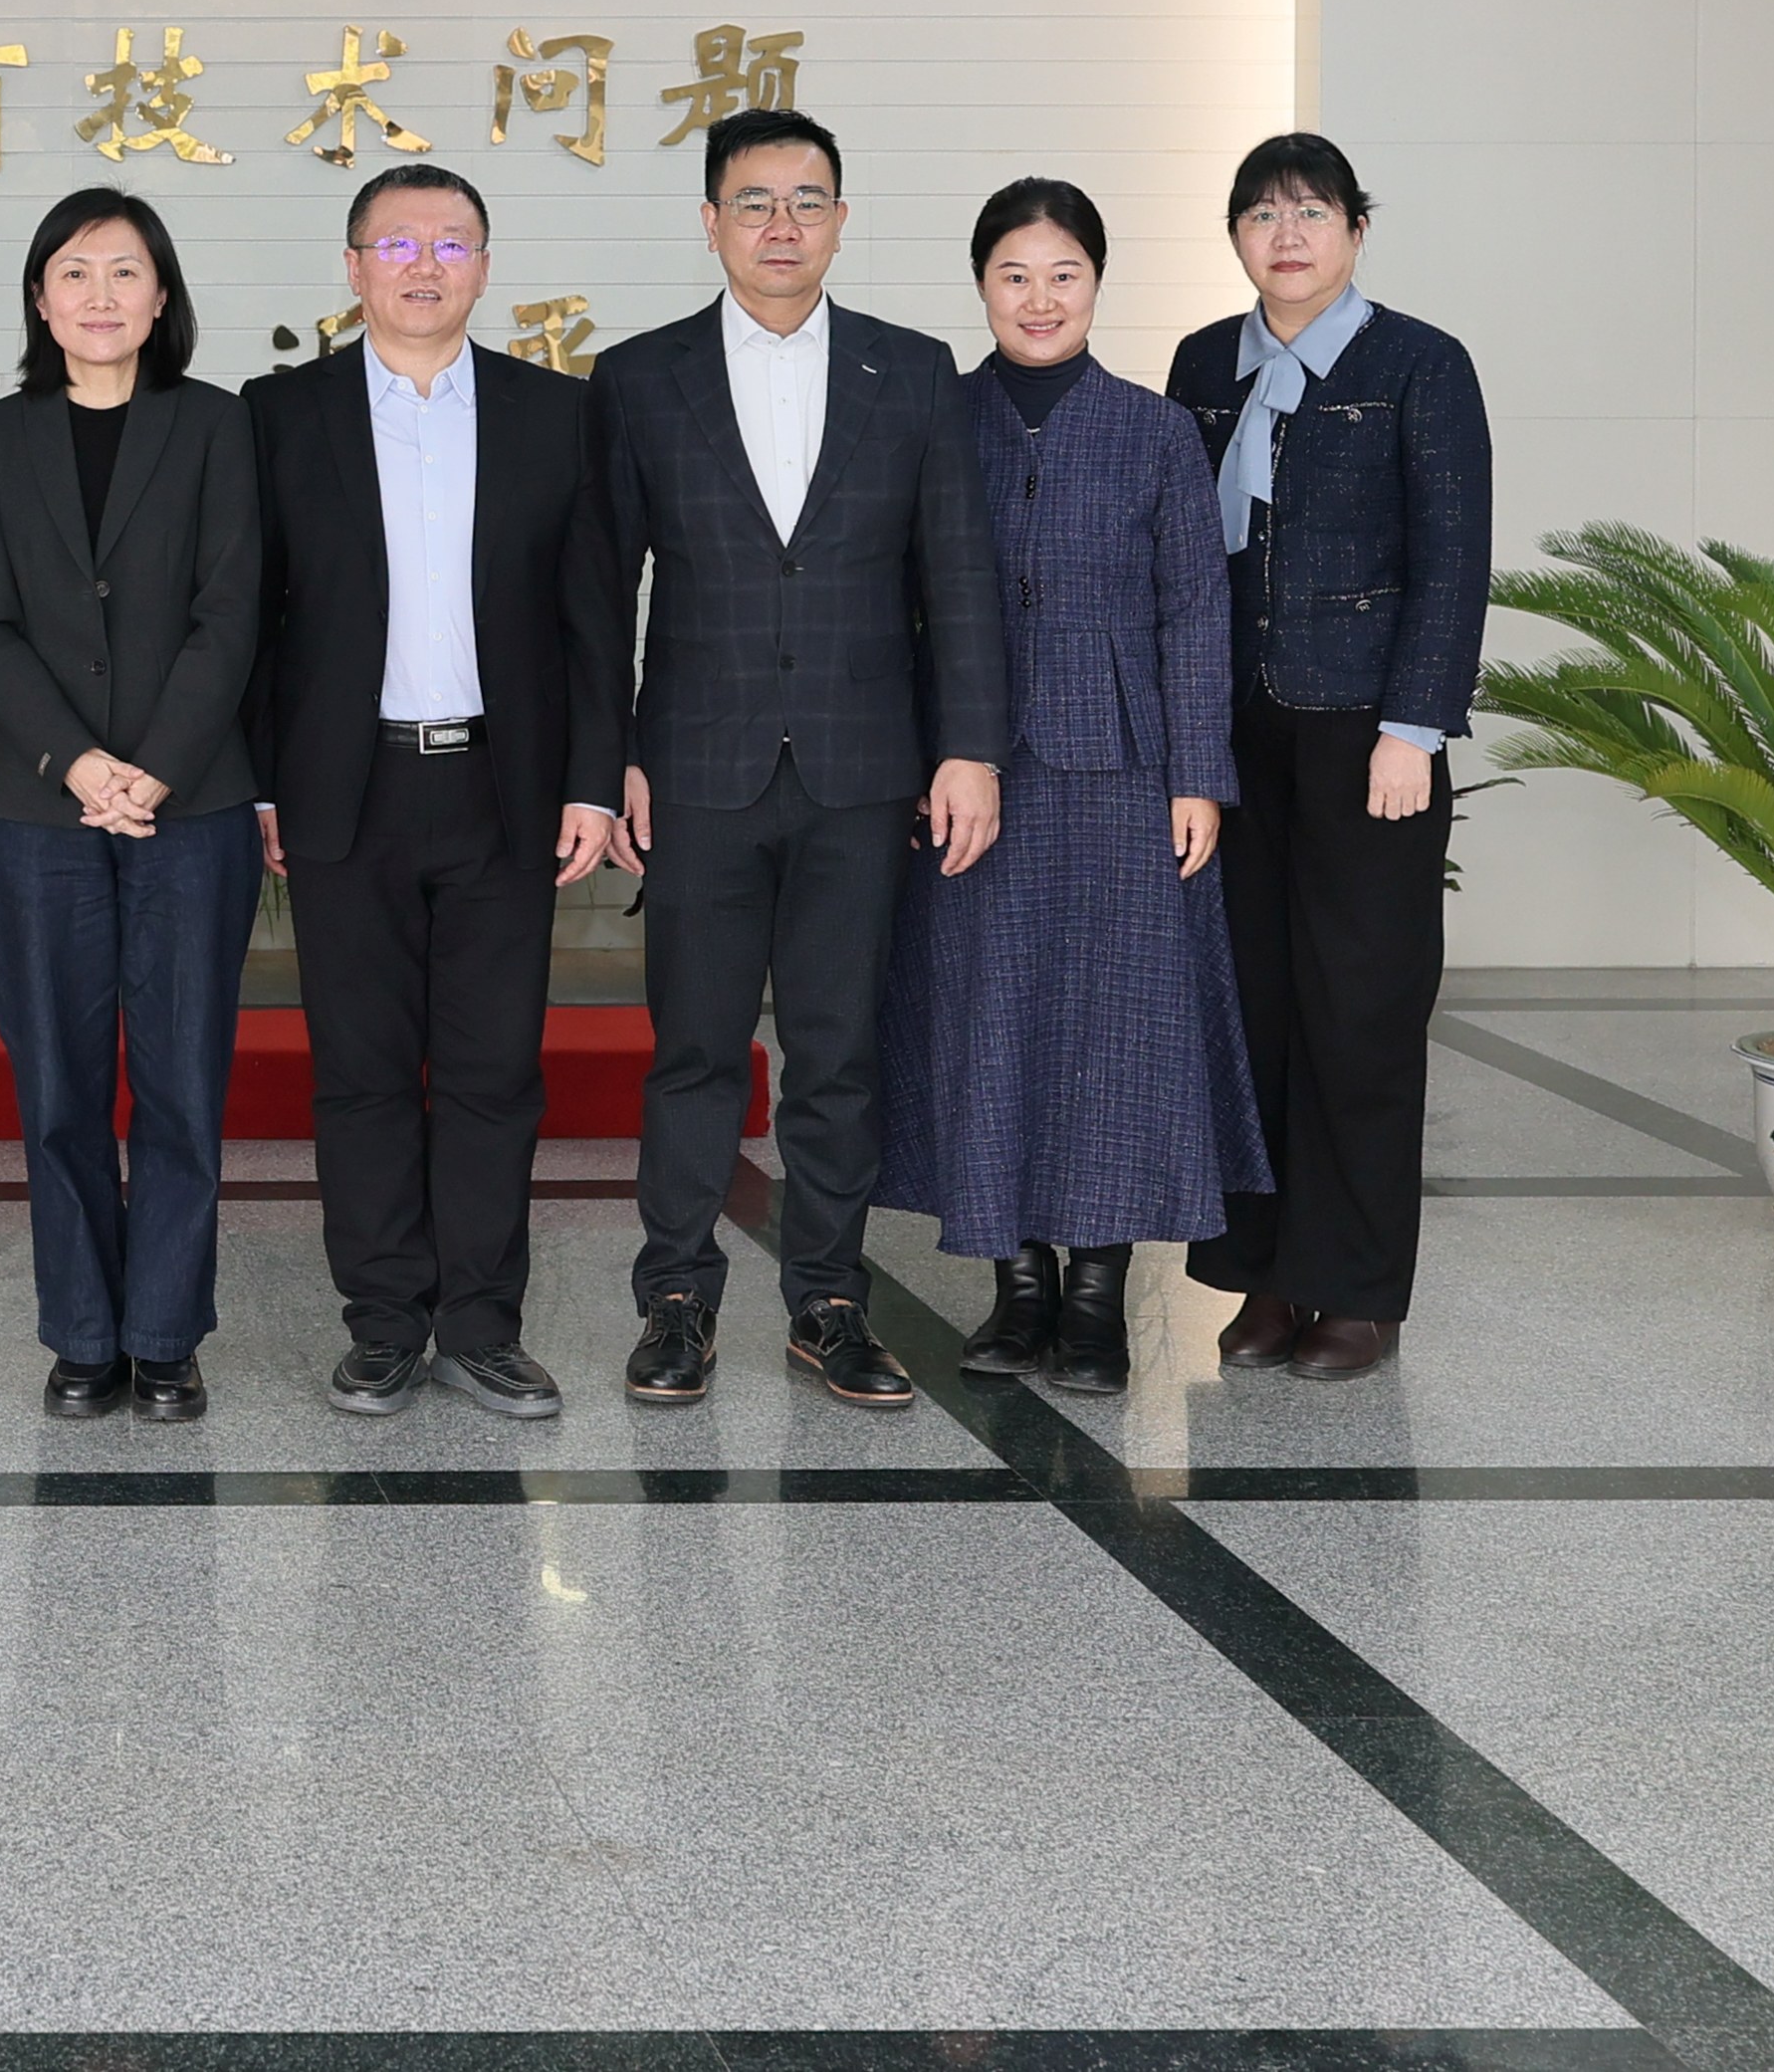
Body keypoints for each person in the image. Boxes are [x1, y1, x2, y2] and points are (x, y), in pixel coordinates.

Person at [592, 107, 1006, 1411]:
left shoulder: (913, 371)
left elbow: (959, 580)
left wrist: (970, 750)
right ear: (710, 221)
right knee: (694, 1053)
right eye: (755, 201)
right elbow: (601, 590)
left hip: (862, 767)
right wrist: (607, 754)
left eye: (807, 200)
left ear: (840, 219)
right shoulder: (640, 377)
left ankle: (828, 1300)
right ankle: (674, 1300)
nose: (782, 225)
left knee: (837, 1054)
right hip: (697, 769)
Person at [246, 165, 629, 1426]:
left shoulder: (553, 414)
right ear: (350, 267)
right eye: (395, 241)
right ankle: (379, 1321)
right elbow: (253, 622)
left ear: (482, 263)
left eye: (450, 241)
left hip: (502, 788)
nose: (423, 263)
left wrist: (588, 780)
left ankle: (478, 1323)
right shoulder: (278, 414)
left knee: (489, 1071)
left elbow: (590, 620)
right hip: (340, 786)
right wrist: (258, 784)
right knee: (357, 1071)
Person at [875, 179, 1269, 1398]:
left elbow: (1196, 612)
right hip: (967, 773)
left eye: (1062, 276)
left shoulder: (1152, 430)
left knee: (1113, 1031)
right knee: (989, 1019)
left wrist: (1196, 776)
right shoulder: (935, 418)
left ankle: (1095, 1296)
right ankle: (1015, 1288)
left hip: (1121, 772)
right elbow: (891, 605)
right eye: (1012, 275)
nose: (1037, 299)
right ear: (979, 284)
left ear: (1095, 285)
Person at [1169, 133, 1489, 1382]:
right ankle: (1262, 1278)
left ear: (1354, 228)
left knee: (1358, 1014)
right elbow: (1177, 556)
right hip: (1236, 734)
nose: (1284, 234)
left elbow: (1451, 555)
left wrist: (1412, 726)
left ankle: (1352, 1292)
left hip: (1366, 740)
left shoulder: (1419, 361)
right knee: (1249, 1010)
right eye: (1259, 213)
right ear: (1234, 234)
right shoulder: (1204, 361)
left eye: (1310, 211)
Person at [0, 187, 261, 1424]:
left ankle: (165, 1332)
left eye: (123, 272)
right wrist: (78, 765)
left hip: (190, 809)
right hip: (42, 814)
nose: (97, 294)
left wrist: (153, 766)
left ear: (160, 296)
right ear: (40, 297)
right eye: (72, 272)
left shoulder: (215, 426)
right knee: (60, 1087)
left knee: (184, 1080)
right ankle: (83, 1330)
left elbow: (230, 611)